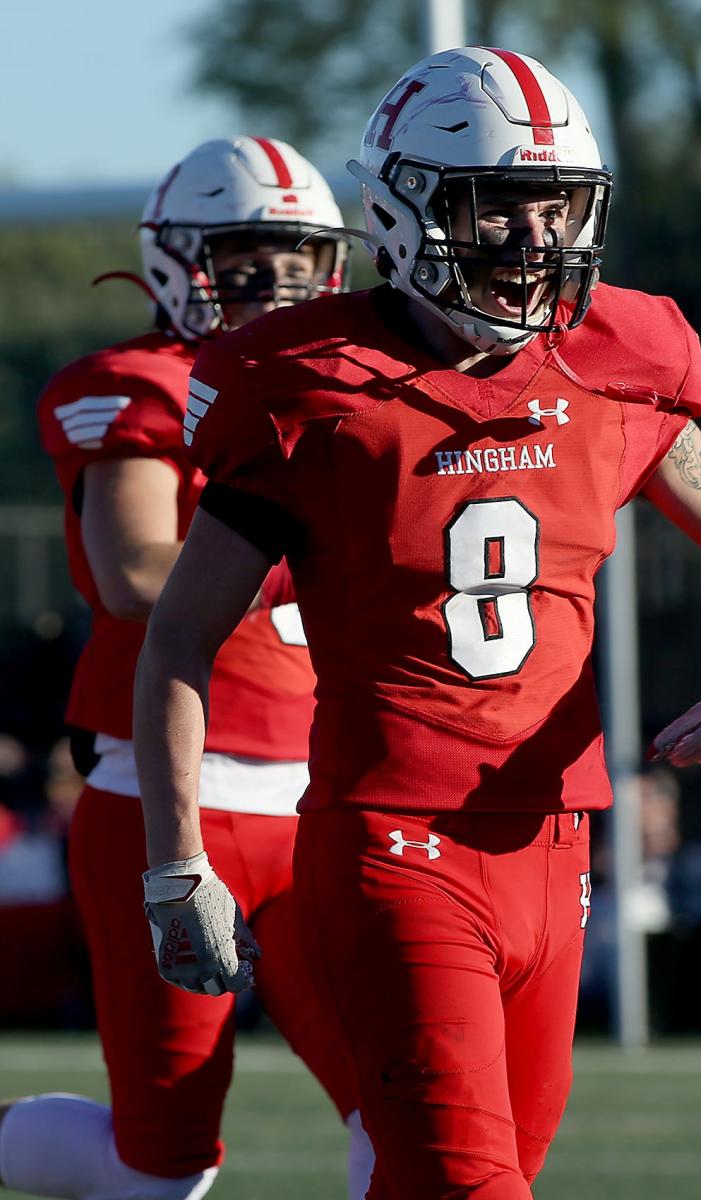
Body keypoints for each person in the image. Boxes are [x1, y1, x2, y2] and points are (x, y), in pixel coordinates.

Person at [133, 49, 701, 1200]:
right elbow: (178, 638)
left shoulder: (614, 366)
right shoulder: (311, 383)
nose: (533, 235)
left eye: (554, 203)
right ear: (404, 205)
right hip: (396, 845)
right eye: (497, 202)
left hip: (558, 853)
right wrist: (174, 864)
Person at [0, 137, 373, 1200]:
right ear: (180, 260)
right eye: (249, 257)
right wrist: (327, 566)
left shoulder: (348, 387)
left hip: (321, 805)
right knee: (160, 1173)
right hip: (169, 805)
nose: (279, 283)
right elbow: (134, 573)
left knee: (404, 1117)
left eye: (300, 259)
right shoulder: (139, 384)